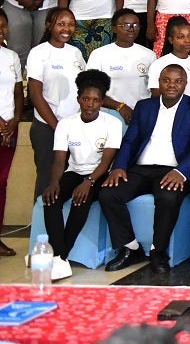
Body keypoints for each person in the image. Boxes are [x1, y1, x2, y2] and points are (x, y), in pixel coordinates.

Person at [100, 63, 190, 273]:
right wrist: (119, 166)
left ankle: (158, 251)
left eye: (178, 81)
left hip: (174, 170)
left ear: (185, 84)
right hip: (141, 168)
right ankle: (130, 247)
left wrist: (181, 172)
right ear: (158, 82)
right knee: (108, 193)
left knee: (168, 197)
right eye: (166, 80)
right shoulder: (144, 106)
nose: (171, 85)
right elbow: (130, 141)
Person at [42, 69, 123, 280]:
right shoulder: (66, 124)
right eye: (86, 99)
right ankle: (59, 256)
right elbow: (60, 160)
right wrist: (53, 183)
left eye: (96, 100)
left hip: (99, 174)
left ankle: (60, 255)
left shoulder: (112, 123)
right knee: (51, 199)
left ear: (102, 102)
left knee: (81, 200)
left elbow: (106, 162)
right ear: (78, 99)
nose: (90, 104)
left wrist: (88, 182)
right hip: (74, 171)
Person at [27, 8, 86, 197]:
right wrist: (58, 127)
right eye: (61, 23)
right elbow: (35, 95)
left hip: (73, 127)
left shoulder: (76, 53)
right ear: (48, 25)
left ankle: (60, 225)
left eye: (70, 24)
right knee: (47, 180)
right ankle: (41, 226)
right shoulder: (39, 53)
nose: (66, 28)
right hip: (47, 127)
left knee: (68, 180)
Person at [86, 8, 155, 123]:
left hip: (140, 114)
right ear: (114, 29)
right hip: (109, 113)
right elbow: (91, 89)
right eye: (126, 25)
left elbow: (154, 90)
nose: (131, 29)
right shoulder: (99, 54)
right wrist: (120, 106)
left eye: (135, 25)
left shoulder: (149, 55)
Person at [0, 9, 22, 256]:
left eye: (4, 26)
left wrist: (15, 120)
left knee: (2, 183)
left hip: (9, 129)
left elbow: (18, 93)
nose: (1, 30)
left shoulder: (11, 56)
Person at [147, 16, 190, 104]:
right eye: (180, 37)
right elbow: (156, 96)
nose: (187, 40)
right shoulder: (159, 64)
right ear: (171, 40)